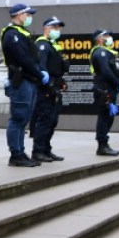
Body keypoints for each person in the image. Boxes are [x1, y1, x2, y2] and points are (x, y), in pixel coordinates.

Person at [0, 2, 44, 167]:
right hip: (21, 80)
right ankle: (15, 154)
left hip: (29, 80)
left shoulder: (22, 33)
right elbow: (24, 59)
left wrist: (38, 73)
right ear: (19, 15)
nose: (29, 18)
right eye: (27, 14)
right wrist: (39, 74)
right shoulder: (12, 34)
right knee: (18, 118)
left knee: (24, 118)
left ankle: (21, 151)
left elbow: (33, 57)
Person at [31, 15, 69, 161]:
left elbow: (56, 68)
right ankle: (38, 151)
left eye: (58, 28)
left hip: (55, 86)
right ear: (46, 29)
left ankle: (46, 149)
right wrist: (49, 85)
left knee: (52, 121)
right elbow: (42, 67)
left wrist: (61, 81)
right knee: (45, 119)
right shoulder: (43, 45)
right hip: (46, 88)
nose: (57, 30)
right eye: (54, 27)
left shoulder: (52, 45)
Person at [89, 29, 119, 156]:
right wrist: (118, 83)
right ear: (99, 39)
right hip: (104, 89)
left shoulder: (108, 52)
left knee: (108, 118)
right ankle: (102, 145)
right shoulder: (100, 52)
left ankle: (104, 143)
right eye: (106, 36)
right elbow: (106, 71)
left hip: (109, 88)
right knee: (104, 118)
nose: (109, 38)